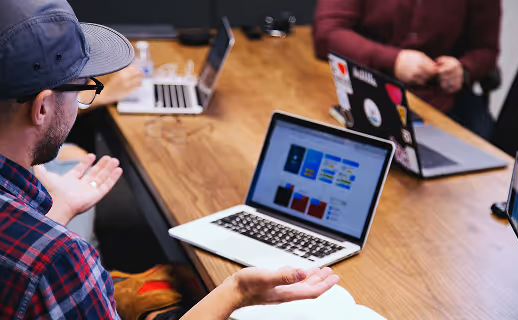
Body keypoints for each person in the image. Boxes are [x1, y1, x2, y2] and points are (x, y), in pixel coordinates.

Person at [0, 1, 340, 320]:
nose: (80, 102)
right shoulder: (59, 263)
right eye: (81, 89)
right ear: (42, 108)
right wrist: (237, 290)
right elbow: (39, 261)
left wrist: (59, 211)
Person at [313, 0, 501, 138]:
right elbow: (328, 32)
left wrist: (464, 69)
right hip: (360, 87)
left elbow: (486, 50)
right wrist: (394, 61)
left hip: (439, 106)